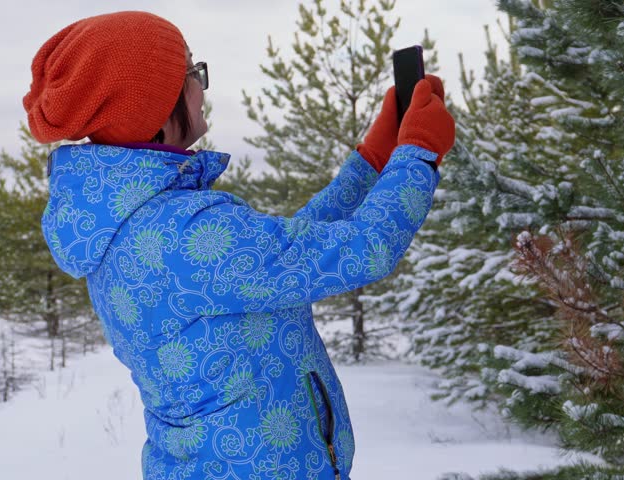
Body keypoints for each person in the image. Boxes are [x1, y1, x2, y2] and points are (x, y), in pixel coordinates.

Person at [24, 10, 455, 480]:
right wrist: (417, 157)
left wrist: (371, 163)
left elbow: (284, 256)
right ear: (151, 107)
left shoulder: (136, 224)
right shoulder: (185, 232)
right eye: (190, 73)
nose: (201, 86)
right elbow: (364, 248)